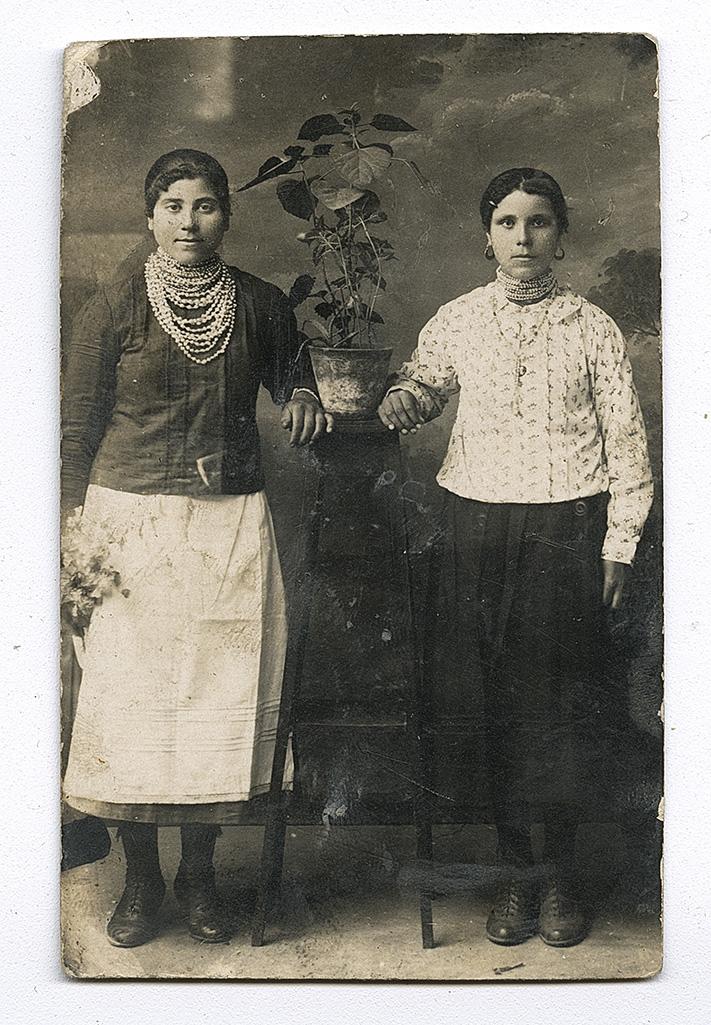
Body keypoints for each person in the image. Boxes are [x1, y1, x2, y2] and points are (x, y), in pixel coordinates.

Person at [61, 149, 332, 947]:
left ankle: (200, 876)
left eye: (205, 205)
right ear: (151, 215)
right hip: (127, 527)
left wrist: (306, 393)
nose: (189, 221)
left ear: (225, 215)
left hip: (228, 526)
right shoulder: (114, 304)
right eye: (173, 205)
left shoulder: (259, 302)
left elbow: (294, 374)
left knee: (217, 702)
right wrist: (71, 536)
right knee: (135, 707)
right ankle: (141, 881)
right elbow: (75, 429)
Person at [378, 167, 653, 948]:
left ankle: (559, 876)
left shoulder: (592, 327)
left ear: (559, 234)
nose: (522, 237)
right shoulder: (459, 318)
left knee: (561, 707)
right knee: (491, 702)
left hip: (567, 527)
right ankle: (514, 872)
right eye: (506, 222)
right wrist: (401, 396)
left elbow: (627, 443)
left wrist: (619, 542)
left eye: (538, 222)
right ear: (486, 236)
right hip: (474, 526)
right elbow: (421, 385)